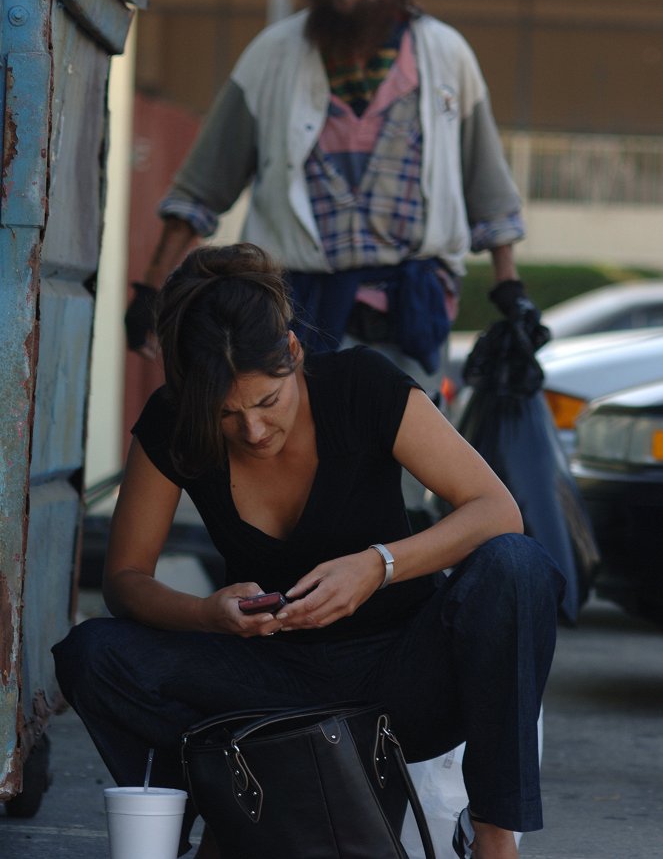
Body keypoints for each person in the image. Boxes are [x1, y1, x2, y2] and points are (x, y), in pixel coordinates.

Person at [54, 243, 564, 859]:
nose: (253, 430)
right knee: (94, 654)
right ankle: (222, 814)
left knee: (516, 565)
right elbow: (126, 578)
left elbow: (496, 509)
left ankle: (493, 839)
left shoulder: (363, 384)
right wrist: (206, 614)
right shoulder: (172, 423)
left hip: (404, 679)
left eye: (269, 402)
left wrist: (378, 566)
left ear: (294, 353)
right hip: (268, 685)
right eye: (226, 414)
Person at [124, 0, 547, 401]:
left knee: (404, 471)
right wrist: (150, 289)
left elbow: (488, 186)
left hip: (409, 316)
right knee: (298, 468)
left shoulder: (447, 58)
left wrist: (510, 290)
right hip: (293, 312)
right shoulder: (272, 57)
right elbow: (200, 186)